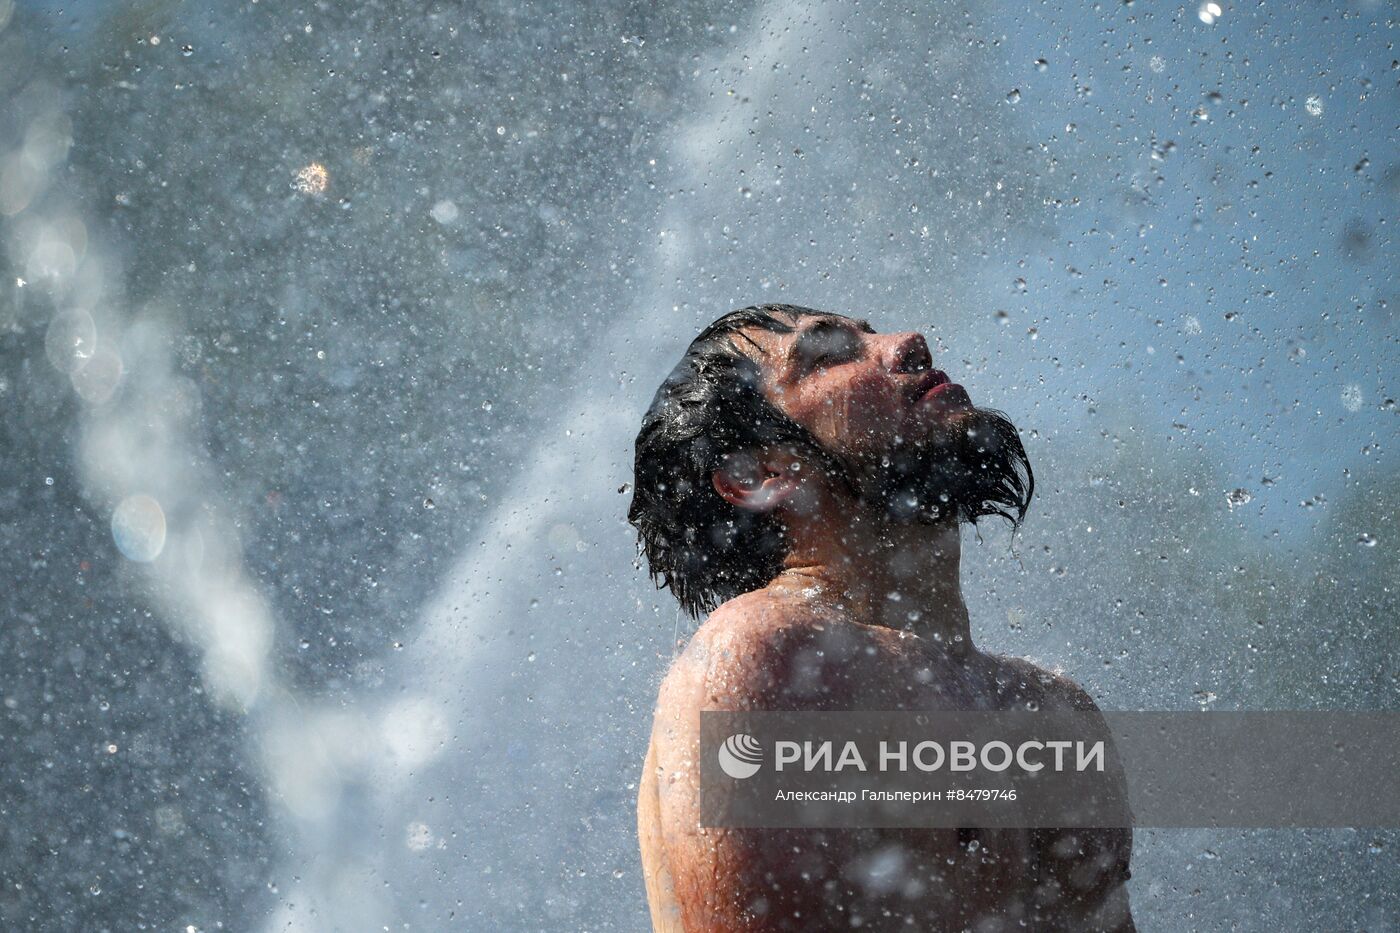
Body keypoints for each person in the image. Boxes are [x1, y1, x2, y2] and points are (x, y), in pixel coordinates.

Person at [628, 304, 1134, 931]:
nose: (909, 341)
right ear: (758, 474)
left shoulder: (1049, 709)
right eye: (829, 356)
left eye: (870, 332)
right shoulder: (764, 658)